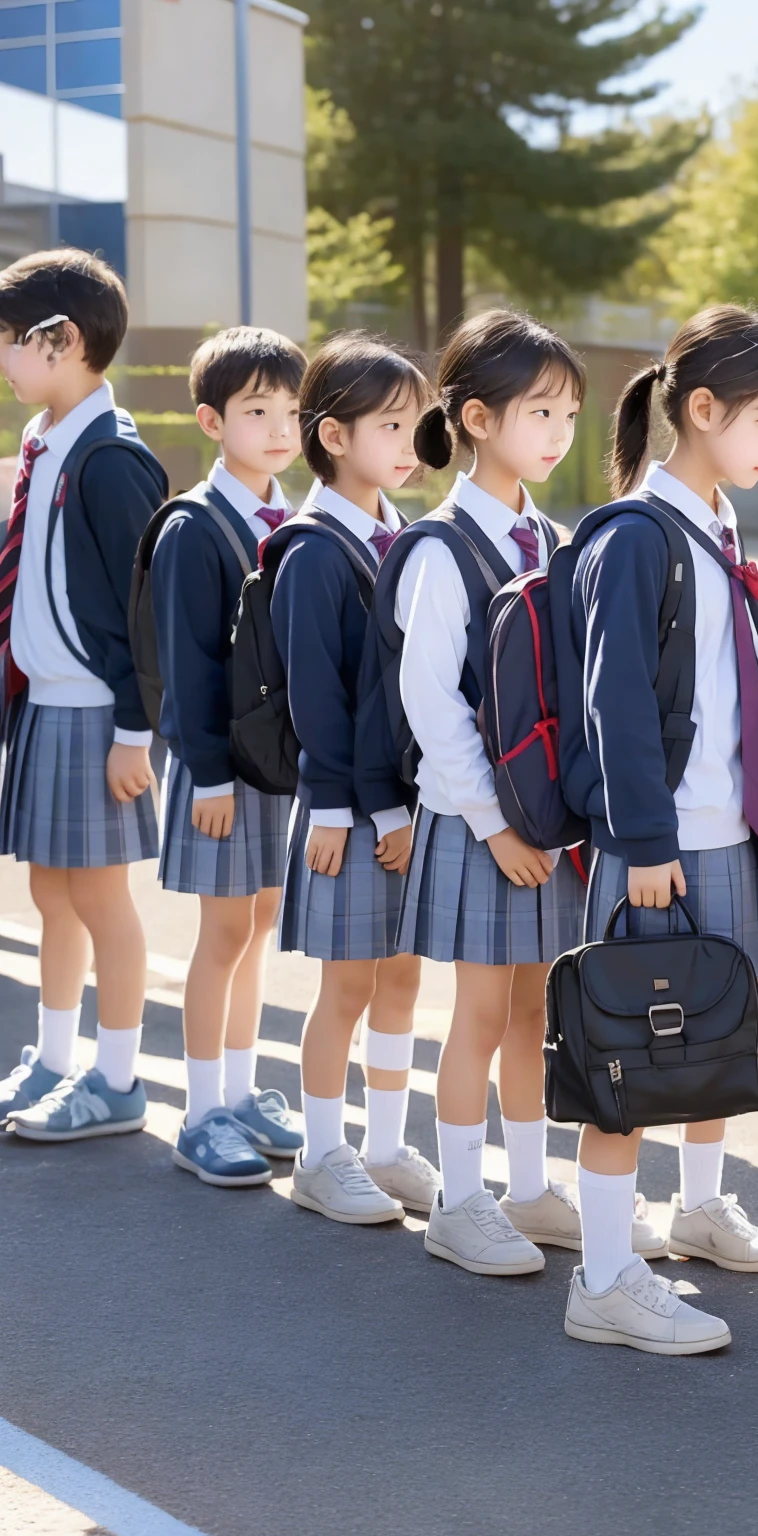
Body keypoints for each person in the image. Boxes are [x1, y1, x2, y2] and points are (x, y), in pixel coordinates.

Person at [561, 304, 758, 1354]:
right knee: (623, 1057)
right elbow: (617, 702)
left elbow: (740, 685)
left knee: (719, 1028)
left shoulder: (715, 523)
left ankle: (697, 1209)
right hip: (660, 837)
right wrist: (647, 842)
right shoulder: (634, 536)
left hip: (731, 829)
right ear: (701, 409)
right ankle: (607, 1278)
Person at [386, 310, 643, 1274]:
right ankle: (461, 1201)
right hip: (481, 824)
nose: (559, 431)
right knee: (483, 1015)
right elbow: (430, 703)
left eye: (570, 413)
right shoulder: (441, 548)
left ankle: (527, 1187)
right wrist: (493, 826)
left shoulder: (554, 535)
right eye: (541, 411)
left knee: (538, 1012)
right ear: (477, 418)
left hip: (547, 825)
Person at [0, 250, 167, 1141]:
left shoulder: (110, 460)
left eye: (8, 345)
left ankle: (116, 1078)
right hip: (45, 707)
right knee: (51, 896)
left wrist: (136, 731)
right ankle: (55, 1057)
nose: (3, 361)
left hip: (100, 713)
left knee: (102, 903)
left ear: (58, 341)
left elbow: (148, 614)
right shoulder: (44, 443)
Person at [275, 333, 434, 1224]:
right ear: (334, 436)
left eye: (416, 425)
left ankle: (382, 1144)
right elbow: (316, 696)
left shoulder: (400, 536)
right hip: (348, 808)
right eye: (390, 426)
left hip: (404, 805)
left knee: (402, 977)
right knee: (347, 986)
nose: (410, 444)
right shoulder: (313, 549)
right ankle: (323, 1151)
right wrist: (334, 805)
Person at [155, 326, 309, 1186]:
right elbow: (186, 661)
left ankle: (241, 1092)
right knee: (222, 934)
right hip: (219, 771)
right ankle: (202, 1111)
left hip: (273, 766)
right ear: (213, 422)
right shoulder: (194, 525)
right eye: (257, 411)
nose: (279, 427)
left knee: (254, 931)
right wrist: (206, 770)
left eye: (290, 409)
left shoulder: (290, 518)